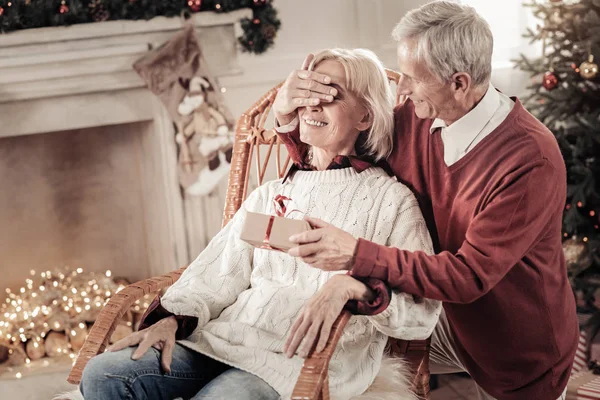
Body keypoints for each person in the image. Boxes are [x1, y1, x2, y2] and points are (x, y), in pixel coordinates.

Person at [79, 48, 441, 400]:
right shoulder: (269, 194)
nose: (313, 104)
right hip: (223, 341)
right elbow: (218, 271)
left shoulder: (393, 202)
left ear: (365, 117)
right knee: (103, 375)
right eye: (309, 92)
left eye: (331, 95)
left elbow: (420, 314)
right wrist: (172, 320)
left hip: (303, 361)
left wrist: (356, 288)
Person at [275, 2, 577, 400]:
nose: (399, 90)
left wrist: (355, 256)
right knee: (324, 350)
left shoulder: (529, 159)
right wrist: (286, 116)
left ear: (459, 83)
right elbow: (341, 146)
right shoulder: (414, 119)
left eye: (413, 79)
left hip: (517, 349)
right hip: (439, 317)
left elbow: (469, 276)